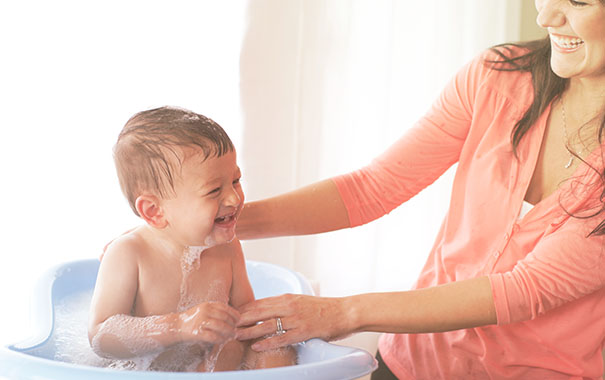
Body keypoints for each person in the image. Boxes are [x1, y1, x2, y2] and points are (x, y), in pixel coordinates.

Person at [234, 1, 605, 379]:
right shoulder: (497, 78)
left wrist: (344, 313)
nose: (545, 18)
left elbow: (524, 290)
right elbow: (373, 187)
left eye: (577, 1)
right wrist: (226, 222)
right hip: (415, 361)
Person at [88, 106, 295, 372]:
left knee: (272, 351)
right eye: (214, 190)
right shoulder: (129, 253)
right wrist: (178, 325)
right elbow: (101, 336)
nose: (233, 198)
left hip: (205, 366)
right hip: (147, 371)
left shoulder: (228, 247)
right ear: (154, 211)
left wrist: (271, 335)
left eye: (236, 180)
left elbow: (245, 315)